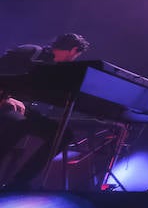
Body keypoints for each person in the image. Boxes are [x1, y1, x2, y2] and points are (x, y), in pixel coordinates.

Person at [0, 33, 91, 189]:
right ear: (73, 50)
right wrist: (6, 97)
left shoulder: (53, 68)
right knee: (19, 122)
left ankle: (18, 183)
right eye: (76, 56)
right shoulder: (31, 51)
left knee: (63, 134)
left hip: (20, 109)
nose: (73, 60)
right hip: (4, 102)